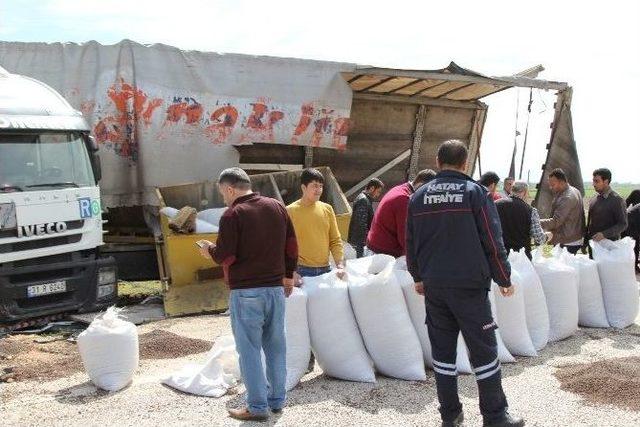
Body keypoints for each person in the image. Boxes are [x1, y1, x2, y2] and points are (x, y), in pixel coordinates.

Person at [407, 140, 524, 427]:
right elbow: (492, 240)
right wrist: (503, 278)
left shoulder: (418, 197)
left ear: (438, 161)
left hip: (435, 287)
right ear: (465, 163)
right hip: (469, 287)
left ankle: (450, 415)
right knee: (484, 352)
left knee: (443, 355)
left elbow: (411, 243)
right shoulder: (476, 193)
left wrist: (418, 276)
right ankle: (495, 417)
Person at [198, 167, 298, 422]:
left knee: (250, 350)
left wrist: (210, 250)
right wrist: (287, 276)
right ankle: (277, 401)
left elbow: (226, 255)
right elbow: (291, 246)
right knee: (276, 347)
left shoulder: (233, 214)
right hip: (275, 289)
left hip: (246, 293)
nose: (223, 198)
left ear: (230, 189)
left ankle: (256, 407)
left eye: (223, 192)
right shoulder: (277, 207)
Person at [287, 168, 345, 282]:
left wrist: (340, 265)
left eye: (321, 186)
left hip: (325, 270)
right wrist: (290, 272)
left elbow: (335, 240)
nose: (318, 190)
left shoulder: (327, 209)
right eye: (314, 185)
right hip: (301, 272)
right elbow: (283, 244)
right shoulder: (290, 211)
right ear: (303, 187)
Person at [366, 169, 436, 257]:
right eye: (427, 192)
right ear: (420, 185)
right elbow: (406, 239)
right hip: (382, 254)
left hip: (377, 246)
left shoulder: (400, 189)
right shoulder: (404, 200)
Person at [495, 181, 547, 259]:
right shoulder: (531, 211)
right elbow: (539, 239)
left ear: (512, 190)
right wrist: (547, 236)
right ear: (525, 192)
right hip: (520, 259)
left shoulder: (495, 205)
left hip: (498, 255)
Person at [539, 168, 585, 254]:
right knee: (545, 257)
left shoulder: (567, 197)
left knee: (554, 263)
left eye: (553, 184)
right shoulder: (571, 190)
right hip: (562, 237)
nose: (551, 187)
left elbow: (556, 221)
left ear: (561, 182)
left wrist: (536, 222)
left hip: (567, 241)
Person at [587, 168, 628, 250]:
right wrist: (586, 241)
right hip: (594, 246)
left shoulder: (617, 200)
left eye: (596, 181)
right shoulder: (594, 199)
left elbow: (623, 224)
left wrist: (604, 234)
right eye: (593, 181)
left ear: (606, 182)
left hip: (609, 248)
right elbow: (590, 224)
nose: (593, 184)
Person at [347, 178, 384, 258]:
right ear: (372, 188)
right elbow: (361, 224)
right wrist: (367, 241)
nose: (378, 195)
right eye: (378, 191)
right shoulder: (363, 200)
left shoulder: (364, 199)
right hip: (359, 242)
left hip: (358, 241)